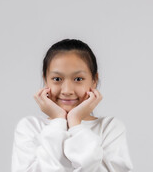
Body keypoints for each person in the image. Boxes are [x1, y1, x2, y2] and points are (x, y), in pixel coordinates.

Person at [11, 38, 134, 172]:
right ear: (45, 80)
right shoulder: (30, 128)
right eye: (57, 79)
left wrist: (75, 122)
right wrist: (59, 120)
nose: (67, 90)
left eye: (78, 79)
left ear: (94, 80)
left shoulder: (110, 128)